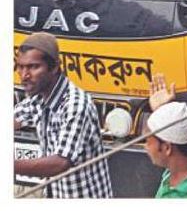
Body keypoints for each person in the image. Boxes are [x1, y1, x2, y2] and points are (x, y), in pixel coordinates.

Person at [14, 32, 114, 197]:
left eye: (33, 67)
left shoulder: (76, 105)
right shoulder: (38, 97)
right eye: (20, 67)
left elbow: (59, 163)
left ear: (54, 67)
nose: (24, 75)